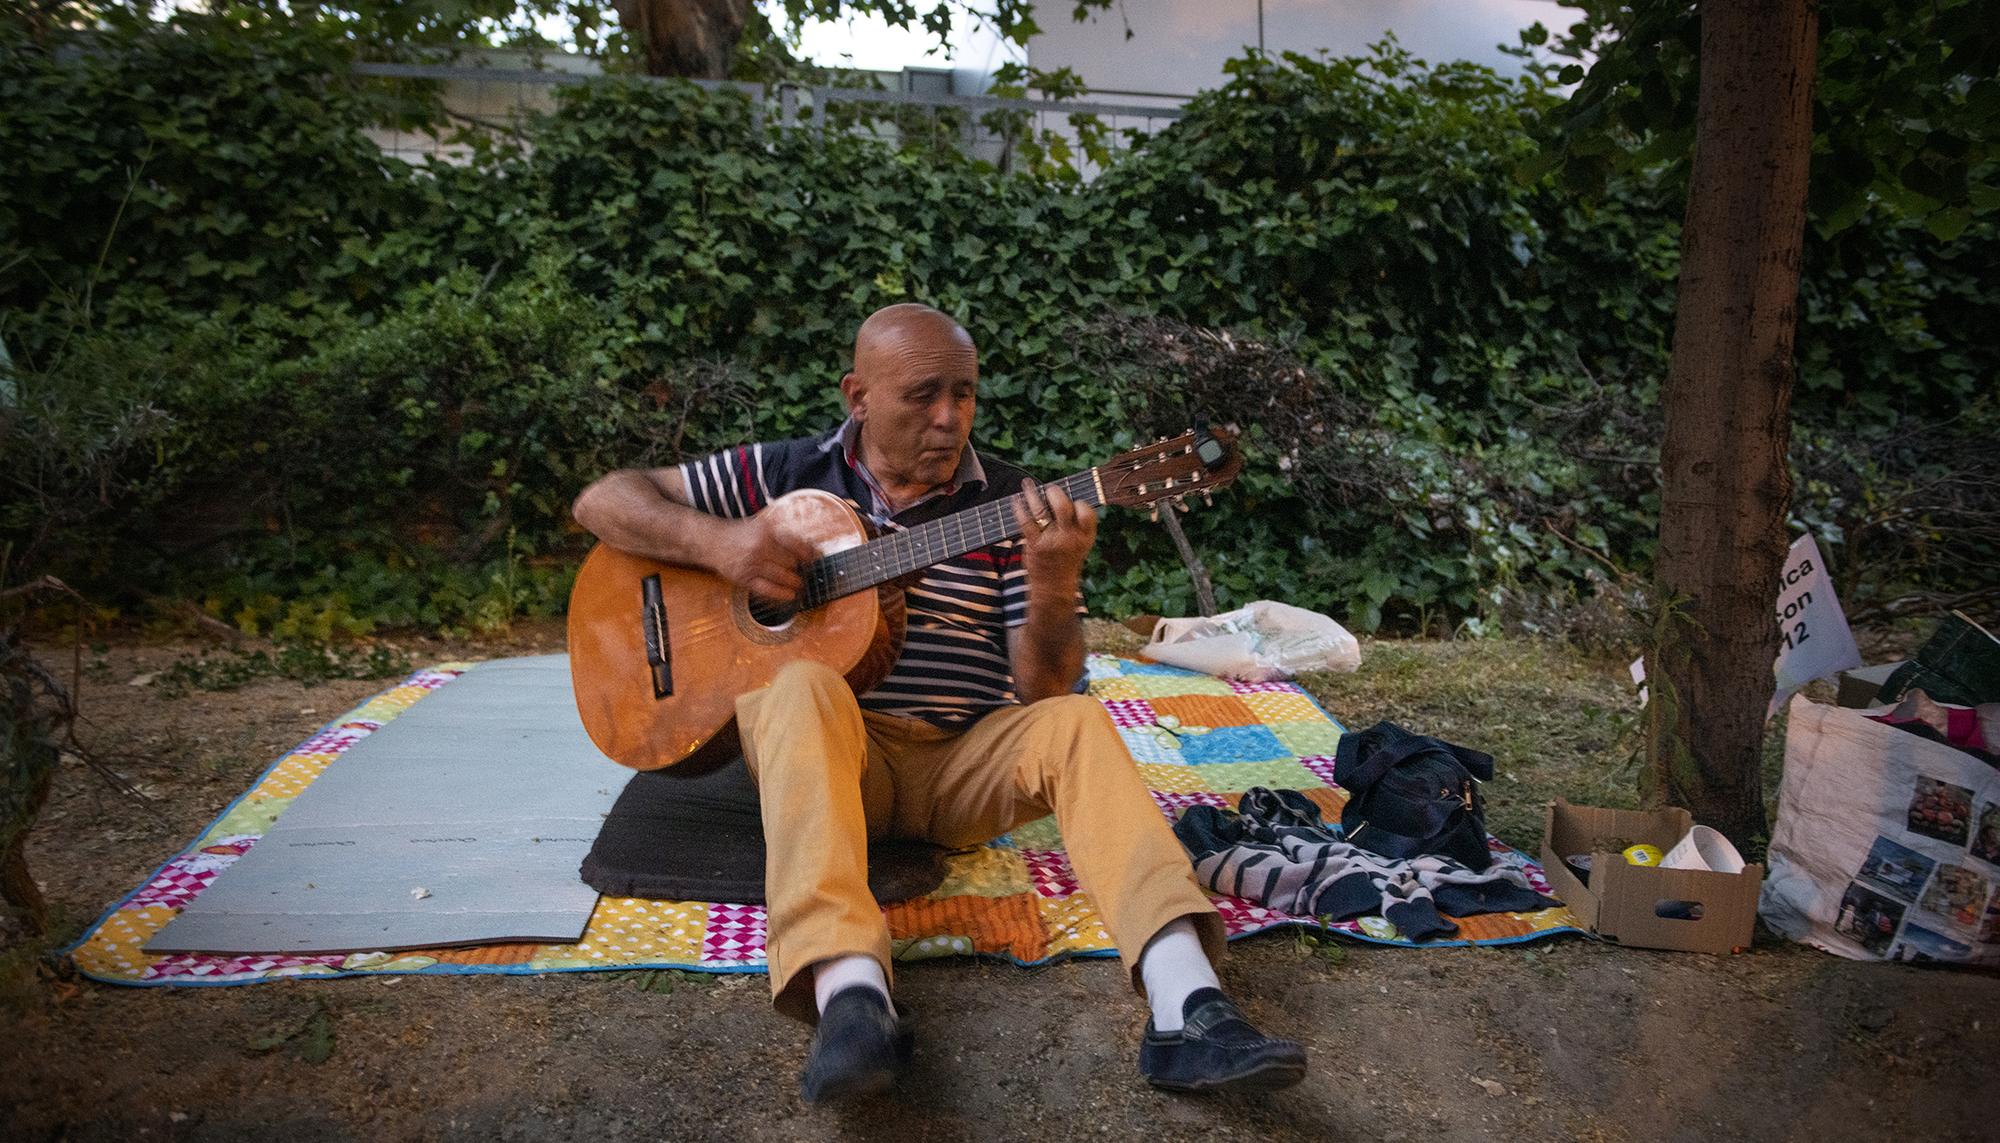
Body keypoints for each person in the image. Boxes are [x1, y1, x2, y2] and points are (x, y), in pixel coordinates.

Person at [572, 303, 1306, 1101]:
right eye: (922, 395)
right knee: (798, 683)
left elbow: (1044, 689)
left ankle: (1186, 1001)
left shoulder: (1010, 503)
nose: (949, 417)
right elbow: (604, 501)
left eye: (964, 394)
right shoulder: (783, 475)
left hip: (960, 762)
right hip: (831, 756)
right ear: (857, 395)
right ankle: (850, 996)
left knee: (1078, 719)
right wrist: (722, 544)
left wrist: (1053, 579)